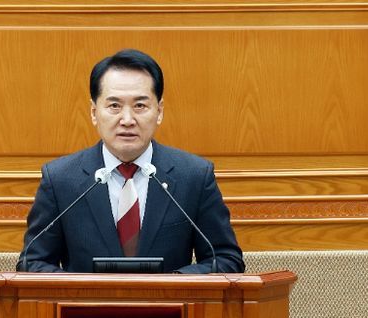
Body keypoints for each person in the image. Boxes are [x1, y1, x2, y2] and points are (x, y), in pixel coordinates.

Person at [17, 49, 244, 273]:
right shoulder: (60, 179)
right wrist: (82, 288)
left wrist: (175, 284)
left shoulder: (193, 176)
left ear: (159, 111)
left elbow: (226, 259)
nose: (127, 120)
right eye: (114, 106)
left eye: (140, 106)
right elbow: (31, 263)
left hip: (170, 299)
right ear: (94, 112)